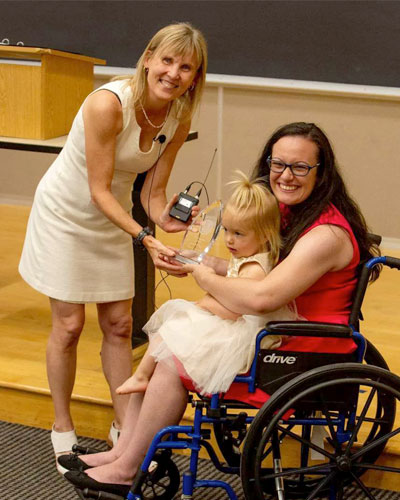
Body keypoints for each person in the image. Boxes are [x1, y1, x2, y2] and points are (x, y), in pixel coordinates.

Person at [61, 122, 380, 496]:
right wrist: (194, 260)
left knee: (172, 358)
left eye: (300, 167)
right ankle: (122, 455)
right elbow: (251, 270)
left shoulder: (325, 234)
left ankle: (129, 467)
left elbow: (262, 297)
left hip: (300, 345)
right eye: (278, 164)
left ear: (321, 173)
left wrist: (201, 276)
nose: (285, 175)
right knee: (169, 344)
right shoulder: (291, 214)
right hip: (275, 329)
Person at [18, 22, 208, 470]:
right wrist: (144, 236)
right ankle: (62, 430)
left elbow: (151, 195)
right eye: (166, 60)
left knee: (120, 324)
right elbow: (98, 189)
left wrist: (167, 221)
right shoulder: (107, 104)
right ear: (147, 59)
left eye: (186, 67)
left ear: (195, 77)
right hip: (67, 213)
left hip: (115, 216)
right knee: (68, 326)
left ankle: (124, 430)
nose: (173, 73)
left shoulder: (178, 117)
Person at [116, 171, 297, 397]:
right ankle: (141, 376)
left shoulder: (255, 269)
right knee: (174, 323)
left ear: (265, 236)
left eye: (238, 233)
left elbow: (236, 309)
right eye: (226, 230)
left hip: (240, 331)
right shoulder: (248, 256)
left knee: (175, 323)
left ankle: (141, 376)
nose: (229, 239)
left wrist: (205, 303)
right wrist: (193, 258)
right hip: (231, 322)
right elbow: (229, 269)